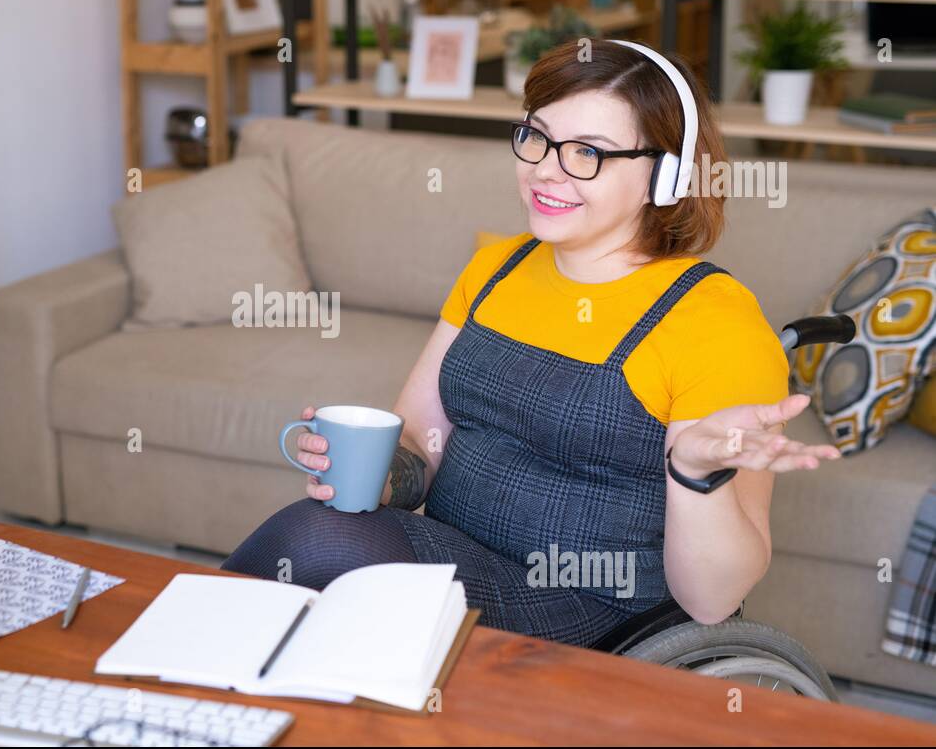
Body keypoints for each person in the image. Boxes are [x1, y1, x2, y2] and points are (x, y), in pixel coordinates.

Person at [221, 38, 841, 648]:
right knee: (328, 531)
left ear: (667, 174)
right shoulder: (496, 269)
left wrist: (694, 473)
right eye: (537, 137)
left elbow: (711, 600)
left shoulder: (717, 322)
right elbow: (418, 447)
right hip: (460, 564)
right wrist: (372, 475)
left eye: (588, 153)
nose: (546, 168)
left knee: (320, 544)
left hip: (601, 617)